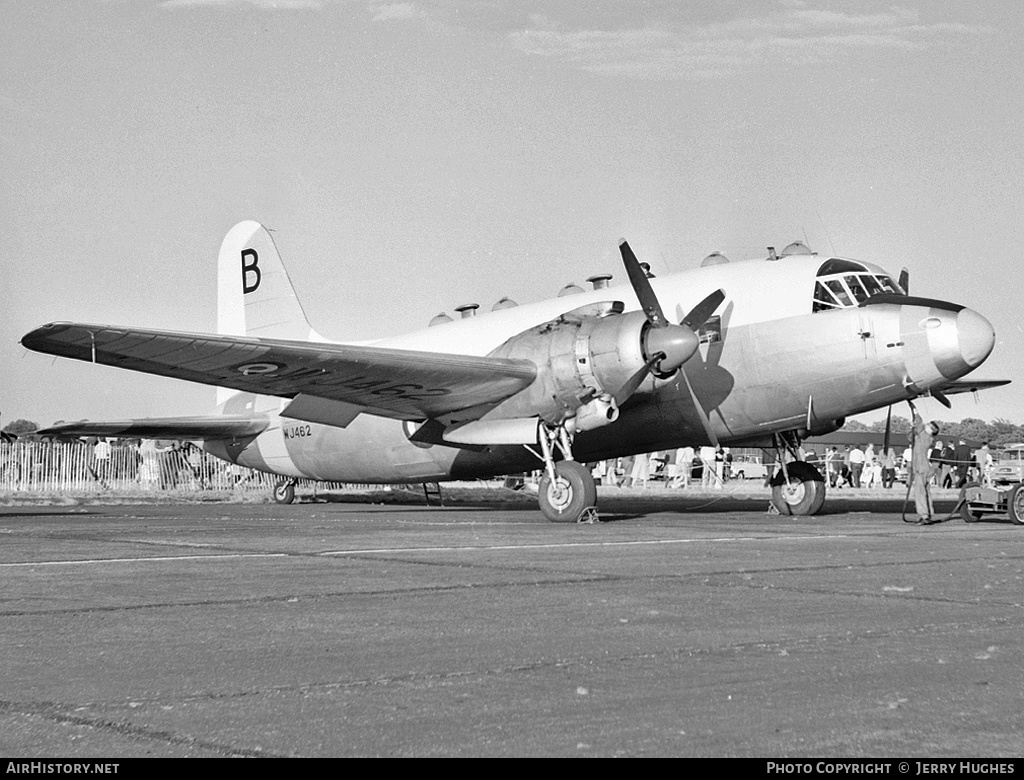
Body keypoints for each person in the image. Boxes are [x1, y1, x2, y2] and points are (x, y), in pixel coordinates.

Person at [910, 413, 940, 524]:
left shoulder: (924, 436)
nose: (925, 425)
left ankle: (924, 515)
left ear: (931, 430)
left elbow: (918, 424)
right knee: (926, 492)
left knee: (920, 492)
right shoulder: (928, 438)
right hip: (926, 467)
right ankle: (928, 513)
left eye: (928, 425)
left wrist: (915, 412)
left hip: (921, 467)